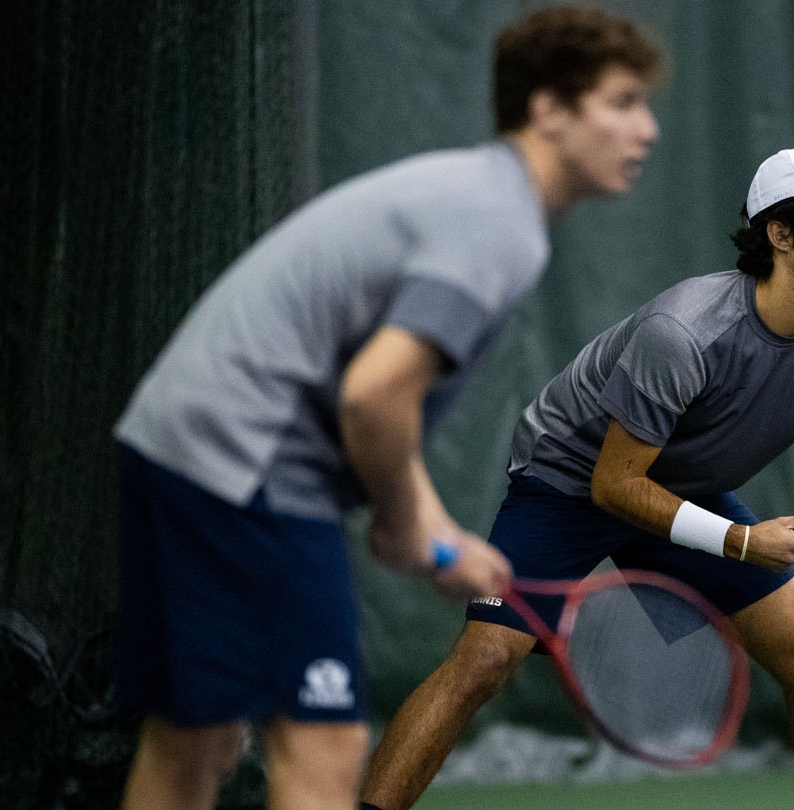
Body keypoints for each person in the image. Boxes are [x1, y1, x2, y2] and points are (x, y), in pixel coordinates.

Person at [111, 6, 663, 808]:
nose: (644, 129)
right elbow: (373, 395)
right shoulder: (499, 221)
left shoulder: (473, 192)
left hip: (170, 439)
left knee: (191, 736)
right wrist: (409, 528)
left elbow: (382, 404)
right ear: (548, 109)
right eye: (621, 102)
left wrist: (439, 535)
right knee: (324, 743)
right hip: (250, 461)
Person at [359, 147, 794, 810]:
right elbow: (615, 485)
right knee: (485, 661)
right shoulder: (686, 333)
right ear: (781, 235)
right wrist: (744, 541)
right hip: (570, 482)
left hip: (681, 485)